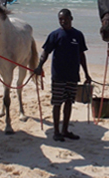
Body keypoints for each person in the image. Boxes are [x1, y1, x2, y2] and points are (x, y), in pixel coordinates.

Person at [34, 9, 91, 142]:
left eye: (65, 18)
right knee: (57, 103)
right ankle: (56, 131)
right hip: (58, 76)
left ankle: (65, 130)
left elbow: (82, 56)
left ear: (71, 18)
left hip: (73, 75)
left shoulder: (78, 35)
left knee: (69, 102)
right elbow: (45, 52)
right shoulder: (55, 35)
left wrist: (87, 74)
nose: (63, 21)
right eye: (60, 19)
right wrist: (39, 66)